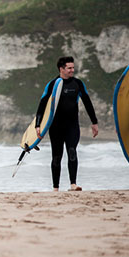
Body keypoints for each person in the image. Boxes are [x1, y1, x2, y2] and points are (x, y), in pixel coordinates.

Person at [35, 56, 98, 191]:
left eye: (73, 67)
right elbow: (42, 105)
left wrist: (94, 122)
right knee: (56, 156)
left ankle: (73, 184)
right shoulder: (52, 84)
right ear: (61, 69)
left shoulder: (78, 84)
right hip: (55, 126)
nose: (72, 70)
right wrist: (38, 125)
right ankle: (55, 188)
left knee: (72, 151)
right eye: (69, 68)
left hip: (72, 126)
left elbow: (87, 102)